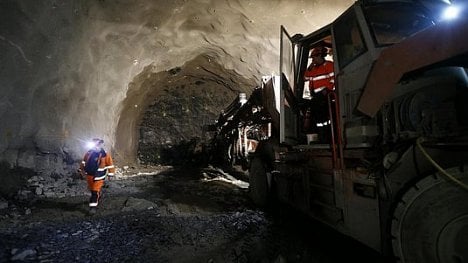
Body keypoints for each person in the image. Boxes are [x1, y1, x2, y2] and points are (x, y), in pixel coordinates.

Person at [302, 45, 335, 140]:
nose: (313, 60)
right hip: (316, 97)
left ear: (319, 56)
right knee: (316, 117)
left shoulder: (329, 65)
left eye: (314, 58)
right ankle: (319, 134)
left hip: (325, 96)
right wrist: (310, 67)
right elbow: (305, 78)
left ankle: (325, 135)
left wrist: (327, 89)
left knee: (324, 118)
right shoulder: (314, 69)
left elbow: (333, 79)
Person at [79, 138, 115, 212]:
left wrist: (110, 175)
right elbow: (83, 162)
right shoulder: (89, 153)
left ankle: (92, 208)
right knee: (92, 190)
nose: (96, 146)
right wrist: (81, 170)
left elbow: (110, 165)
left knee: (94, 191)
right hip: (90, 175)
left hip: (99, 176)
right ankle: (98, 197)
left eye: (97, 144)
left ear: (100, 145)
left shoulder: (105, 155)